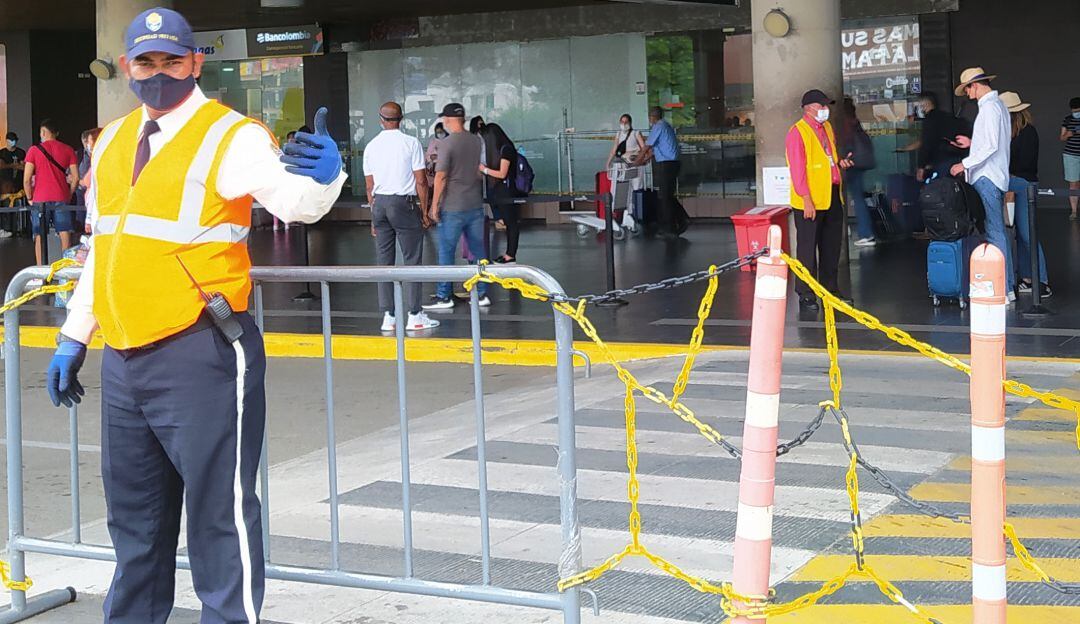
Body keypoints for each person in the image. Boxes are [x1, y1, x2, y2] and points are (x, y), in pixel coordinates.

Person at [43, 8, 345, 622]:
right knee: (136, 525)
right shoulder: (113, 139)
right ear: (127, 66)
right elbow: (104, 244)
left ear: (195, 62)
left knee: (220, 519)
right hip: (126, 356)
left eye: (172, 61)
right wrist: (75, 335)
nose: (159, 74)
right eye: (147, 62)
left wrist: (326, 179)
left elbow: (295, 203)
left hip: (200, 349)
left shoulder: (233, 134)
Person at [364, 101, 439, 332]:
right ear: (401, 119)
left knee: (384, 262)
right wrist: (425, 211)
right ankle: (415, 314)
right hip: (402, 204)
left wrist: (373, 218)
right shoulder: (411, 143)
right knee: (412, 260)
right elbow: (421, 181)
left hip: (380, 204)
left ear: (381, 119)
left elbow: (370, 186)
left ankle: (388, 316)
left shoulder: (371, 146)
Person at [785, 89, 855, 311]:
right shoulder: (797, 132)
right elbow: (797, 171)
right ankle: (806, 293)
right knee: (807, 248)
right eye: (822, 106)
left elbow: (828, 157)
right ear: (809, 108)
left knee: (831, 245)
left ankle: (830, 289)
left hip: (831, 194)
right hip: (810, 198)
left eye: (827, 106)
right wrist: (806, 199)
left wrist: (839, 163)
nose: (826, 110)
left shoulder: (826, 127)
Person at [950, 67, 1015, 300]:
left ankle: (1003, 288)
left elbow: (990, 146)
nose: (967, 93)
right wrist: (972, 142)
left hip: (986, 177)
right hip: (996, 175)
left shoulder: (988, 109)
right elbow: (995, 142)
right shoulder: (999, 106)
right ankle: (1007, 286)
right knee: (997, 232)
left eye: (967, 88)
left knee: (994, 232)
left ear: (975, 85)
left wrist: (964, 164)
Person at [423, 102, 490, 310]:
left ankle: (444, 296)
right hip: (475, 204)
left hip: (452, 206)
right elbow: (480, 171)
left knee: (446, 252)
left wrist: (433, 206)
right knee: (479, 252)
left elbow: (441, 176)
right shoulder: (476, 141)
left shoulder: (447, 144)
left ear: (448, 120)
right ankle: (481, 294)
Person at [1001, 92, 1050, 297]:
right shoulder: (1023, 131)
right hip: (1025, 183)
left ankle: (1041, 280)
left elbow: (1025, 164)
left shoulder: (1026, 133)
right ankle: (1028, 279)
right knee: (1023, 235)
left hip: (1023, 184)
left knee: (1027, 235)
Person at [24, 118, 79, 265]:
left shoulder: (34, 151)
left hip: (39, 198)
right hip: (61, 196)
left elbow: (27, 179)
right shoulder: (68, 150)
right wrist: (69, 194)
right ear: (57, 133)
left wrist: (29, 196)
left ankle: (40, 269)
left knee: (39, 234)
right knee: (64, 232)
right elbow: (76, 178)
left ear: (43, 132)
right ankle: (65, 268)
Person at [637, 106, 688, 239]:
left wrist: (637, 161)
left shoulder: (658, 126)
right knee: (667, 195)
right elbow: (655, 149)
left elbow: (647, 147)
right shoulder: (665, 126)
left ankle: (670, 228)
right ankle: (682, 219)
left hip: (667, 164)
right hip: (672, 163)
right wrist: (646, 159)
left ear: (652, 117)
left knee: (664, 196)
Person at [836, 97, 876, 248]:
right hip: (858, 163)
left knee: (851, 198)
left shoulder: (845, 122)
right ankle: (866, 232)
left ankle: (865, 233)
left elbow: (845, 143)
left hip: (850, 164)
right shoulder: (854, 121)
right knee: (857, 197)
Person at [479, 122, 520, 263]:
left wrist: (484, 169)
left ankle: (510, 254)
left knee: (512, 223)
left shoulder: (506, 150)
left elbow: (502, 173)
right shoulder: (501, 150)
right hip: (502, 191)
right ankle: (509, 253)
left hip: (507, 190)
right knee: (509, 222)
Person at [907, 91, 966, 181]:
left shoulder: (930, 120)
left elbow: (927, 143)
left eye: (919, 103)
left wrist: (921, 166)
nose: (918, 106)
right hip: (957, 158)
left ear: (926, 103)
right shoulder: (946, 117)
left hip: (942, 162)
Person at [605, 113, 646, 229]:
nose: (623, 124)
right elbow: (614, 150)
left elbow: (643, 148)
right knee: (624, 189)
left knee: (636, 188)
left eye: (626, 122)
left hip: (634, 165)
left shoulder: (635, 133)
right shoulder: (618, 134)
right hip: (623, 164)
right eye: (622, 122)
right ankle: (626, 213)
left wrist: (638, 158)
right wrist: (608, 163)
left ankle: (635, 214)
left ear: (630, 123)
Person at [78, 127, 102, 234]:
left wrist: (88, 218)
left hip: (98, 211)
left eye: (90, 141)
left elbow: (93, 190)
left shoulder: (98, 163)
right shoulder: (96, 162)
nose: (89, 145)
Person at [0, 131, 24, 238]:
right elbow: (2, 166)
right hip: (4, 184)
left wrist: (11, 165)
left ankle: (18, 228)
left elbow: (24, 166)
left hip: (18, 183)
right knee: (5, 203)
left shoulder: (21, 152)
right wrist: (14, 165)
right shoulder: (2, 153)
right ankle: (6, 228)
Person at [1060, 96, 1080, 220]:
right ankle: (1074, 211)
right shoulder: (1067, 120)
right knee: (1073, 184)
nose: (1076, 113)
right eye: (1074, 111)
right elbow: (1062, 137)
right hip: (1071, 155)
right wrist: (1071, 133)